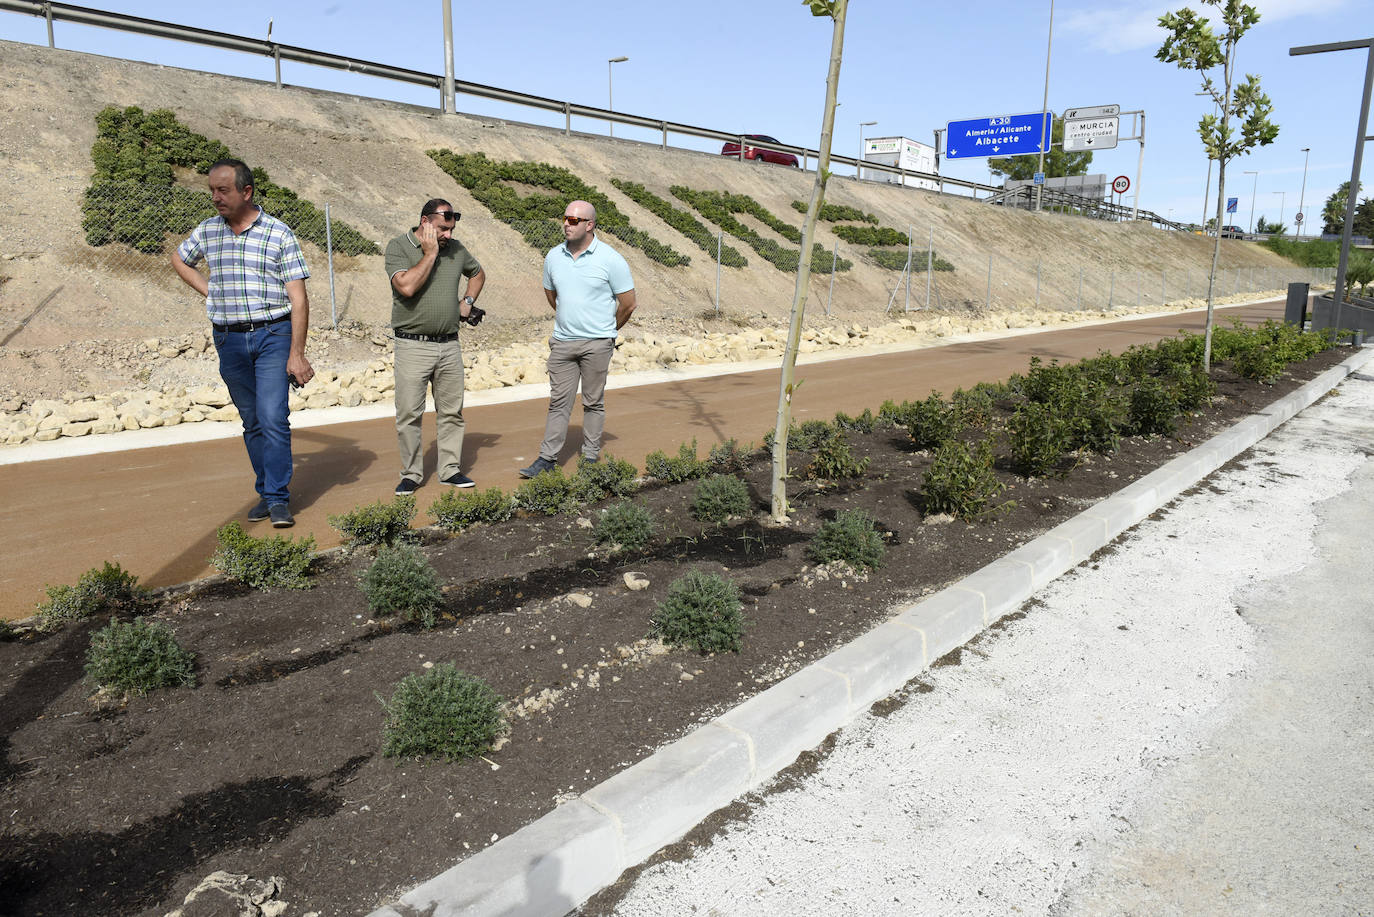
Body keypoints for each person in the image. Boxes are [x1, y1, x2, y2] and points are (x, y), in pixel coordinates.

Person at [171, 158, 314, 528]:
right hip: (228, 339)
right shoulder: (207, 231)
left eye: (223, 190)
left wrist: (297, 354)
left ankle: (279, 499)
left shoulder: (278, 233)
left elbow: (298, 297)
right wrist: (210, 292)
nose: (215, 198)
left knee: (272, 417)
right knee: (251, 421)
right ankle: (267, 493)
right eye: (212, 191)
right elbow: (179, 259)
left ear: (246, 191)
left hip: (273, 334)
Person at [519, 200, 636, 478]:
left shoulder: (611, 259)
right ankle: (547, 459)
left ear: (590, 225)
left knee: (593, 402)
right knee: (558, 402)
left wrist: (607, 330)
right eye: (565, 218)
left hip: (597, 343)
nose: (567, 224)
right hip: (562, 342)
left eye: (574, 220)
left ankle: (591, 458)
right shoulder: (553, 256)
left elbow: (628, 303)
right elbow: (552, 294)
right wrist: (568, 319)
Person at [385, 199, 486, 495]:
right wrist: (429, 253)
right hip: (413, 345)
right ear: (425, 222)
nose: (448, 236)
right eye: (442, 229)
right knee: (409, 415)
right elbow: (406, 286)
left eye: (451, 229)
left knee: (452, 412)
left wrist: (466, 303)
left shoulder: (455, 249)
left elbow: (478, 273)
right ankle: (412, 474)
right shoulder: (398, 247)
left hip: (450, 345)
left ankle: (450, 470)